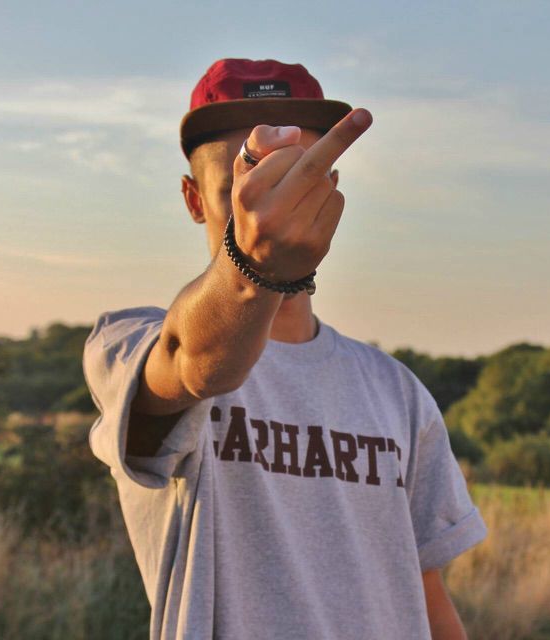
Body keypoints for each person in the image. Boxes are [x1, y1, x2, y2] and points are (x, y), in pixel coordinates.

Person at [83, 58, 488, 640]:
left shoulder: (396, 391)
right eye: (243, 189)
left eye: (295, 180)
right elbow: (192, 363)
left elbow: (423, 592)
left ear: (330, 191)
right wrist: (252, 268)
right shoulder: (129, 348)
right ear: (193, 199)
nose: (270, 205)